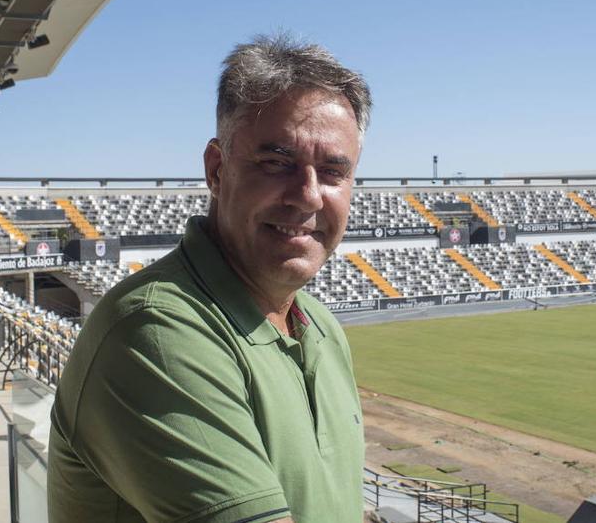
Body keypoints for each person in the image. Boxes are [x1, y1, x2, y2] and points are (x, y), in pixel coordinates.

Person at [47, 34, 371, 523]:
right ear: (217, 170)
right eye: (277, 163)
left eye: (331, 172)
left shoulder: (321, 326)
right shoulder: (155, 332)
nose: (307, 196)